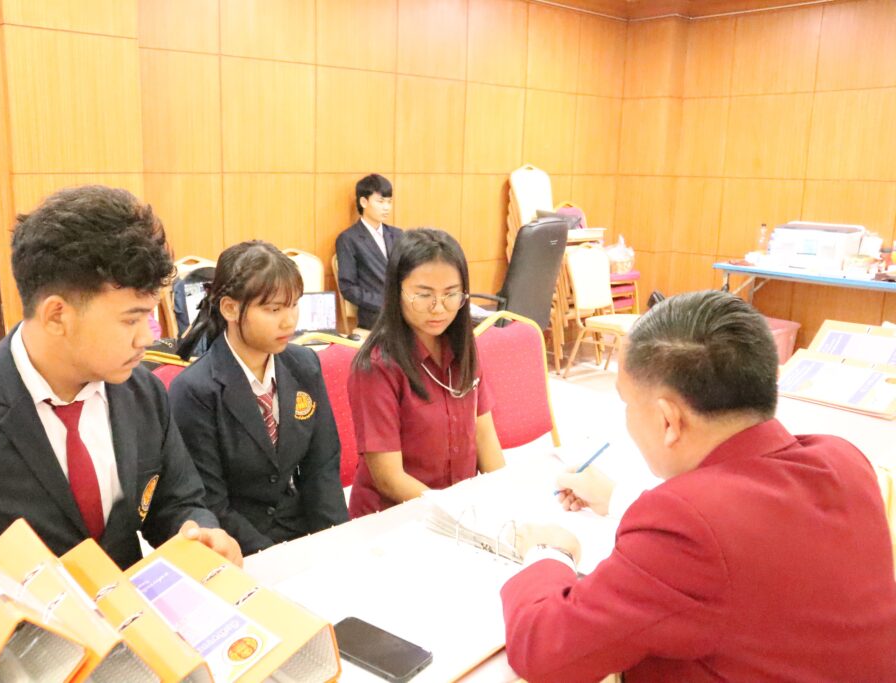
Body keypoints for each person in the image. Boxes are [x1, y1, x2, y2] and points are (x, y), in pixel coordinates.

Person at [502, 290, 896, 682]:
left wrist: (549, 553)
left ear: (668, 420)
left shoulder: (686, 525)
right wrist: (618, 499)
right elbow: (747, 540)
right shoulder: (845, 460)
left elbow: (544, 653)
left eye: (627, 403)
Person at [0, 186, 242, 587]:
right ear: (56, 316)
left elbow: (176, 501)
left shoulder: (143, 394)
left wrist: (200, 532)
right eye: (131, 319)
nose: (147, 338)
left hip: (130, 616)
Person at [169, 241, 348, 555]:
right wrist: (273, 557)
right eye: (273, 309)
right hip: (237, 546)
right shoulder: (195, 390)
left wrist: (335, 542)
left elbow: (322, 467)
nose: (289, 321)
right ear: (230, 308)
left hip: (300, 530)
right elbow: (211, 501)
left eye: (294, 305)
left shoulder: (303, 365)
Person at [347, 228, 505, 517]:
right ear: (397, 292)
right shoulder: (377, 366)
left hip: (458, 510)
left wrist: (504, 496)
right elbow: (389, 478)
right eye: (423, 295)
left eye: (451, 294)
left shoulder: (463, 348)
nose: (438, 308)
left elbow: (484, 436)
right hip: (396, 517)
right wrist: (454, 513)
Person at [335, 173, 401, 329]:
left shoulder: (398, 235)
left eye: (389, 202)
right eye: (380, 201)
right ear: (363, 202)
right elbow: (348, 288)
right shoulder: (348, 239)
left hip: (406, 311)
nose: (386, 207)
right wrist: (384, 303)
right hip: (375, 316)